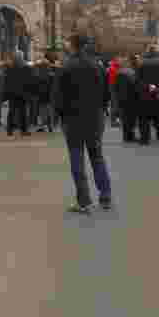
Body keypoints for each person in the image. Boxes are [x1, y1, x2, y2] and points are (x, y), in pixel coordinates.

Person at [53, 34, 112, 213]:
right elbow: (106, 94)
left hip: (73, 120)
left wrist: (60, 116)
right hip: (95, 118)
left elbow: (57, 96)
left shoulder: (66, 67)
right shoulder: (98, 66)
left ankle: (84, 200)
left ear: (73, 46)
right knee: (97, 156)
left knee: (77, 159)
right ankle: (105, 195)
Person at [136, 46, 159, 145]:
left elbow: (138, 81)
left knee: (144, 119)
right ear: (157, 53)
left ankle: (144, 139)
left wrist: (148, 87)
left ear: (147, 52)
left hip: (145, 95)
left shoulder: (141, 64)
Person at [115, 56, 140, 143]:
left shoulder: (119, 72)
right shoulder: (130, 72)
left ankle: (127, 136)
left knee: (126, 118)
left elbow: (116, 87)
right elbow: (135, 85)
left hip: (122, 99)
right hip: (131, 98)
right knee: (130, 118)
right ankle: (129, 136)